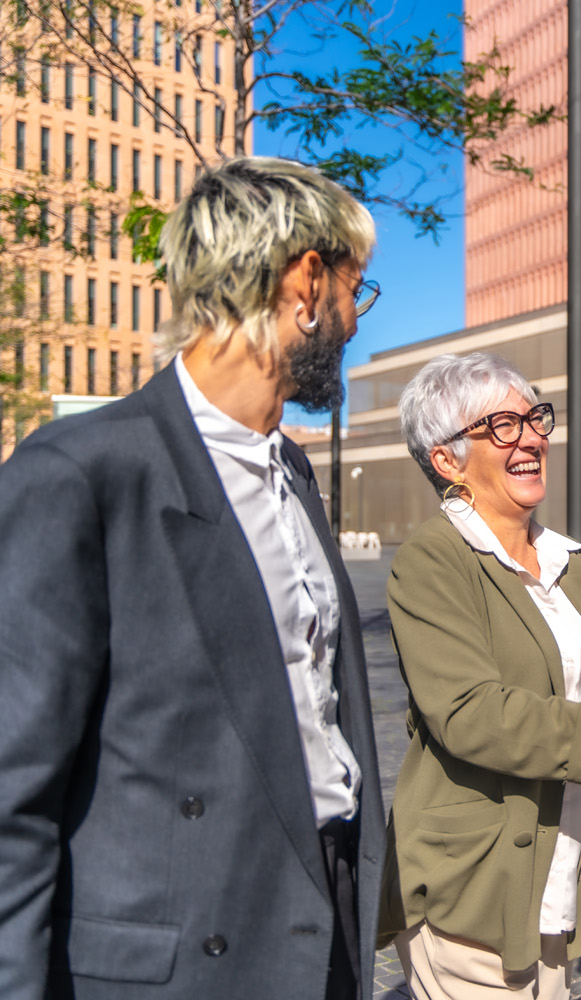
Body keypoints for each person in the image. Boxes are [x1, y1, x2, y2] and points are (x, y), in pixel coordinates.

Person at [0, 157, 384, 999]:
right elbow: (12, 791)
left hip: (322, 916)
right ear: (307, 284)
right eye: (360, 290)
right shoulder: (82, 471)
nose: (358, 322)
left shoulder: (291, 467)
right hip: (180, 960)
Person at [377, 352, 581, 1000]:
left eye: (533, 418)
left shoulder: (569, 562)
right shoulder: (431, 561)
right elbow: (472, 714)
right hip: (470, 882)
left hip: (559, 875)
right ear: (447, 460)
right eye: (500, 425)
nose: (529, 437)